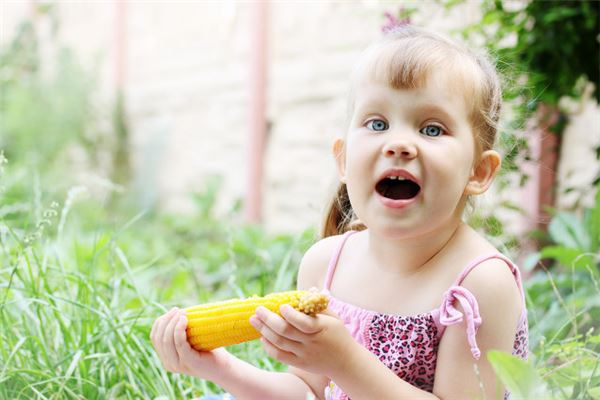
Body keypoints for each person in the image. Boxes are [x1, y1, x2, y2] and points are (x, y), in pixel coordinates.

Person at [150, 25, 529, 400]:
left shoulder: (478, 286)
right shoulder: (325, 263)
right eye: (377, 123)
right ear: (344, 159)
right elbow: (307, 392)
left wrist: (344, 361)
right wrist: (218, 367)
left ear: (478, 172)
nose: (399, 144)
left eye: (431, 129)